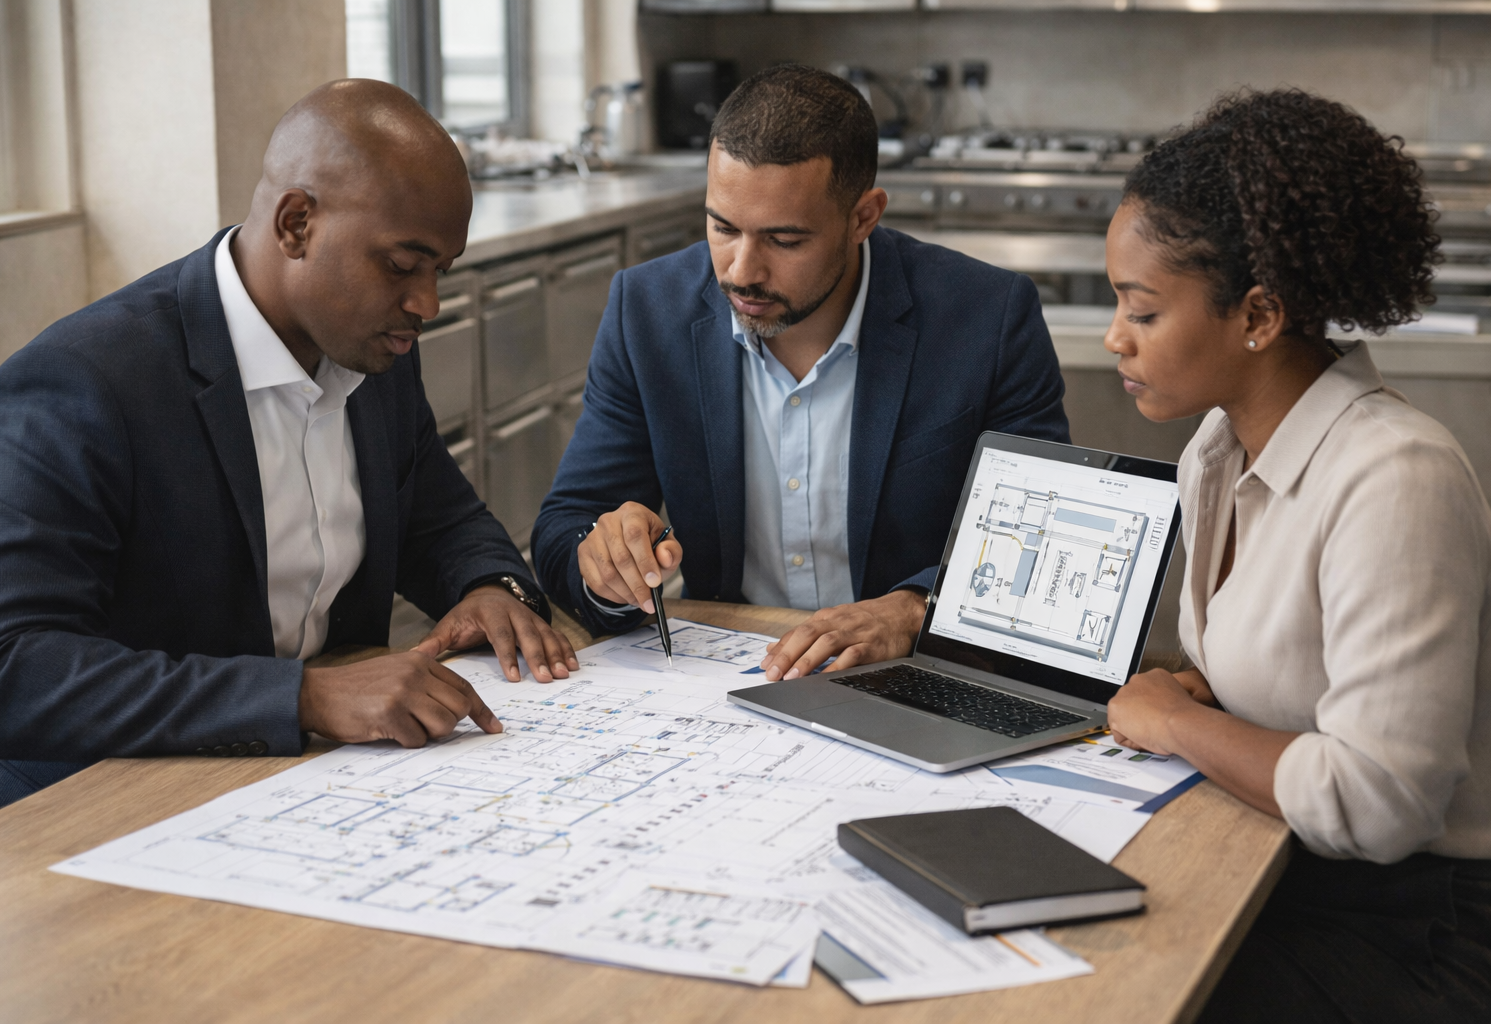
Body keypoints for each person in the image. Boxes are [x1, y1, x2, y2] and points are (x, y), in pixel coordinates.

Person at [0, 80, 579, 828]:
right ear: (295, 224)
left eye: (439, 270)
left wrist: (490, 588)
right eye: (402, 265)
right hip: (78, 812)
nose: (427, 305)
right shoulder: (84, 382)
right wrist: (305, 696)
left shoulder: (372, 350)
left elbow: (441, 520)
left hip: (292, 791)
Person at [1100, 89, 1491, 1022]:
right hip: (1282, 863)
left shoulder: (1394, 477)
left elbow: (1380, 802)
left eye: (1142, 312)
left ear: (1260, 316)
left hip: (1417, 926)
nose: (1116, 336)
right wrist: (1203, 685)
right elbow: (1285, 666)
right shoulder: (1218, 449)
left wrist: (1173, 720)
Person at [533, 64, 1069, 679]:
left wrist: (916, 608)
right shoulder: (647, 310)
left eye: (784, 240)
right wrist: (602, 563)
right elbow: (564, 526)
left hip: (913, 673)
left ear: (864, 217)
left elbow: (1046, 534)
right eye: (722, 227)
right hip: (727, 676)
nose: (741, 270)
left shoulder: (986, 317)